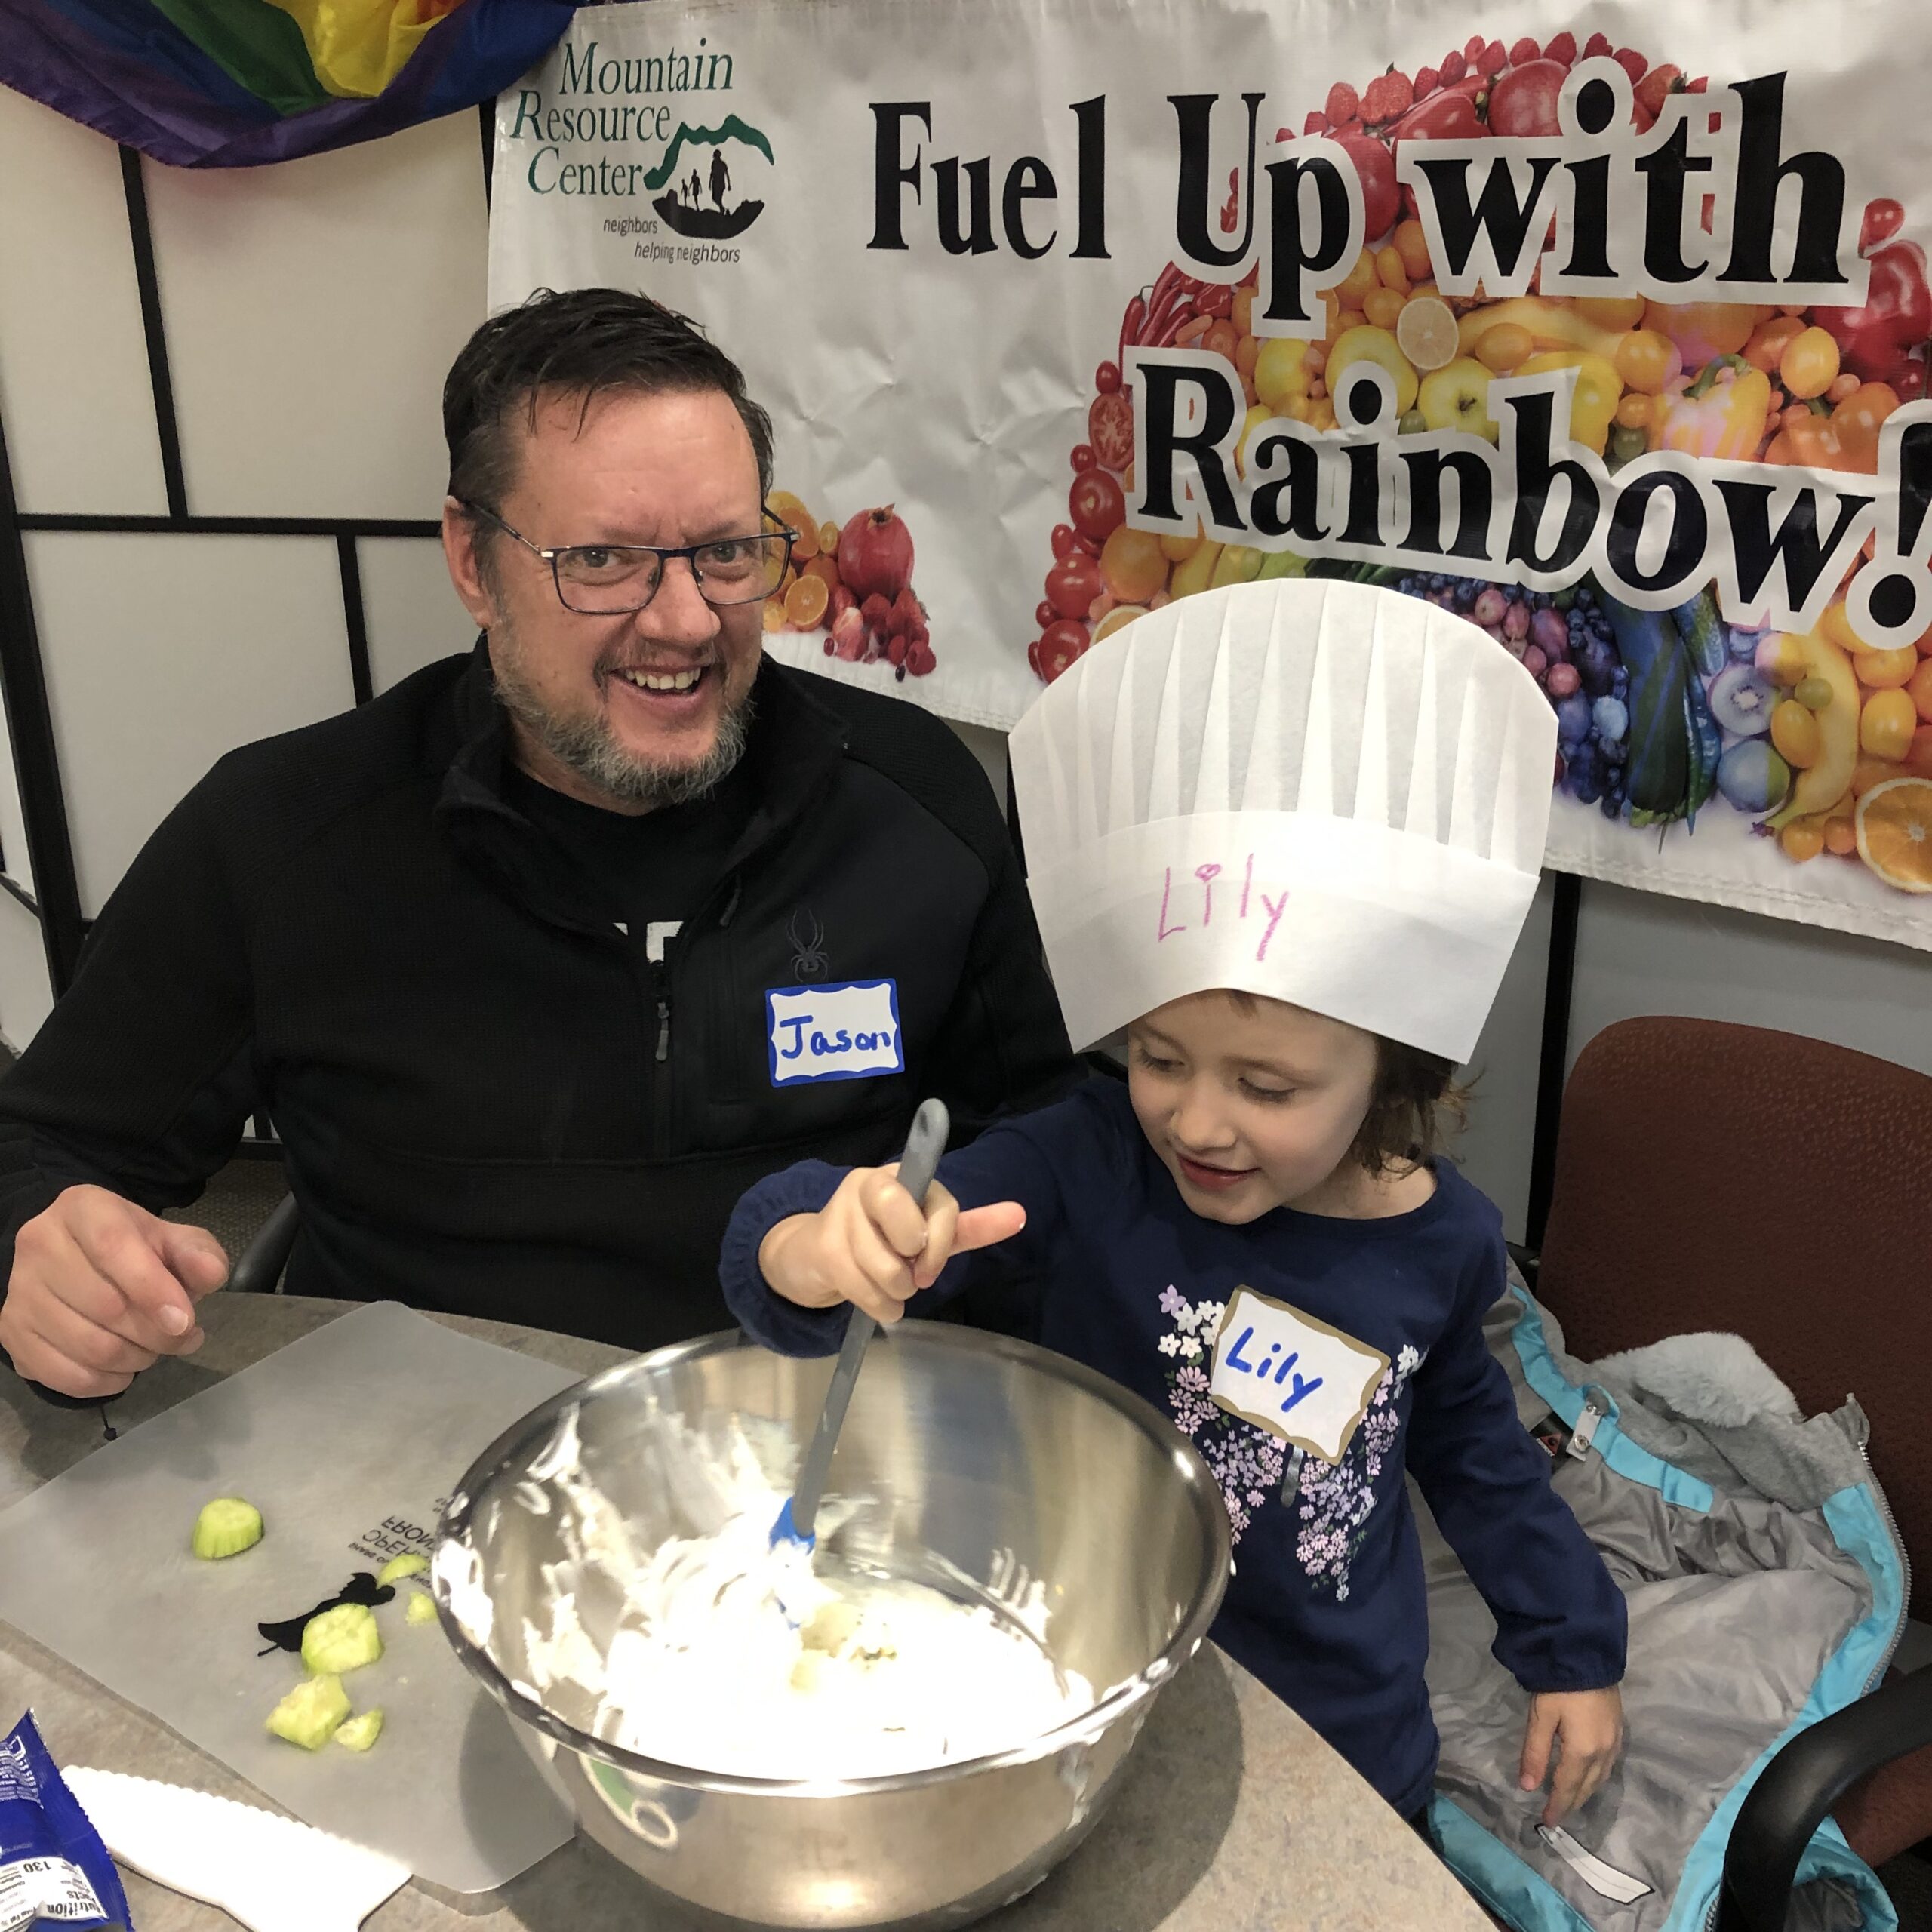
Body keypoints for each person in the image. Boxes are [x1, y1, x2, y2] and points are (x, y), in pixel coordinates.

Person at [0, 287, 1072, 1402]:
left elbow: (1047, 1131)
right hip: (417, 1479)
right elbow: (43, 1149)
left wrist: (936, 1226)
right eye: (603, 560)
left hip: (824, 1456)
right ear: (474, 561)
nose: (686, 621)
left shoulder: (911, 806)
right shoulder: (286, 836)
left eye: (724, 552)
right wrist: (45, 1257)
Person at [721, 580, 1627, 1838]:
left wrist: (1571, 1647)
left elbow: (1476, 1454)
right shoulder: (1083, 1162)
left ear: (1393, 1074)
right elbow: (833, 1233)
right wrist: (824, 1243)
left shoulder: (1443, 1243)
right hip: (1085, 1691)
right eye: (1158, 1056)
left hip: (1342, 1732)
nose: (1198, 1121)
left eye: (1266, 1087)